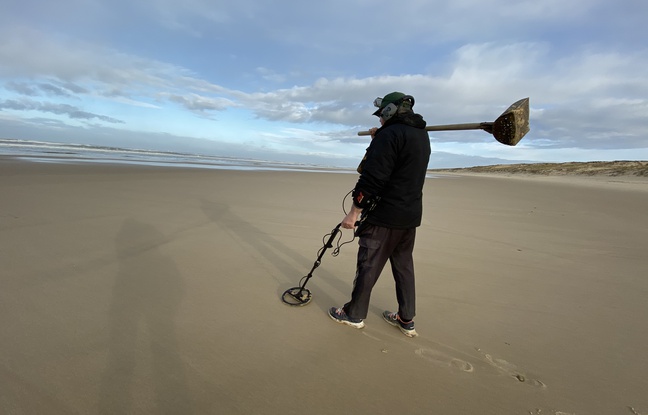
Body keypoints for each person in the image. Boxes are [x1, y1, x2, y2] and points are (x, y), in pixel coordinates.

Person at [328, 91, 430, 337]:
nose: (380, 121)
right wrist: (378, 139)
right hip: (409, 216)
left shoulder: (390, 134)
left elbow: (371, 176)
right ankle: (406, 319)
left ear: (389, 112)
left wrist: (354, 212)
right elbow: (397, 165)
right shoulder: (421, 135)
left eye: (381, 116)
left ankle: (354, 314)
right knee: (404, 266)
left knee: (368, 265)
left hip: (384, 216)